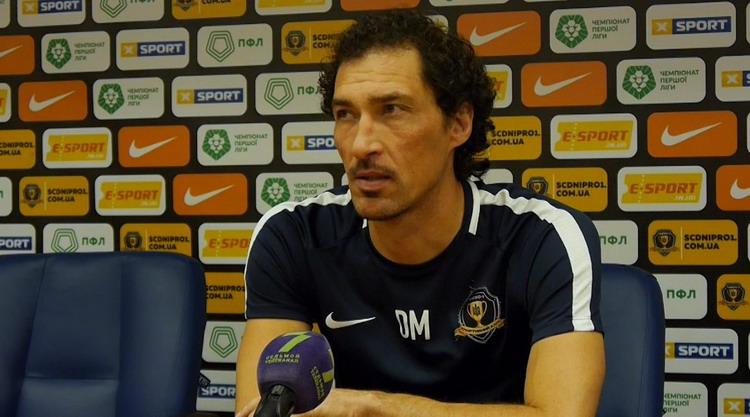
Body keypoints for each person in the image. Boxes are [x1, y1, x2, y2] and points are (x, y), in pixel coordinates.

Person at [236, 10, 604, 417]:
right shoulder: (293, 235)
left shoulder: (541, 236)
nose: (360, 145)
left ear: (459, 123)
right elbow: (262, 408)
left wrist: (375, 408)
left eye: (392, 110)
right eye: (345, 115)